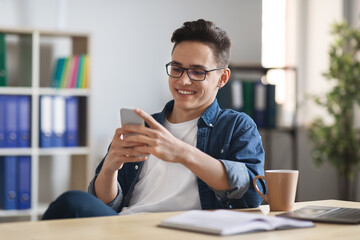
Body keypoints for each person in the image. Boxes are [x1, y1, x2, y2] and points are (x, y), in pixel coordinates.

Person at [42, 19, 266, 220]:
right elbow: (108, 203)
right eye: (177, 68)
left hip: (187, 229)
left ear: (222, 78)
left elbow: (250, 192)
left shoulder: (237, 126)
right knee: (72, 203)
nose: (183, 81)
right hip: (129, 226)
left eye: (198, 72)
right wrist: (110, 167)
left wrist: (181, 152)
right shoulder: (146, 126)